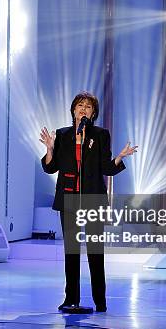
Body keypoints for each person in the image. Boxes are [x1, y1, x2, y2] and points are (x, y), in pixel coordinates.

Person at [40, 91, 137, 312]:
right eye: (80, 105)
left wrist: (120, 157)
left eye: (89, 107)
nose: (84, 109)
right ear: (73, 109)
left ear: (93, 113)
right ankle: (71, 299)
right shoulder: (62, 135)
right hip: (68, 199)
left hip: (93, 200)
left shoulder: (100, 135)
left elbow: (106, 168)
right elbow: (50, 167)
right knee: (71, 252)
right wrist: (49, 149)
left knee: (95, 251)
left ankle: (99, 301)